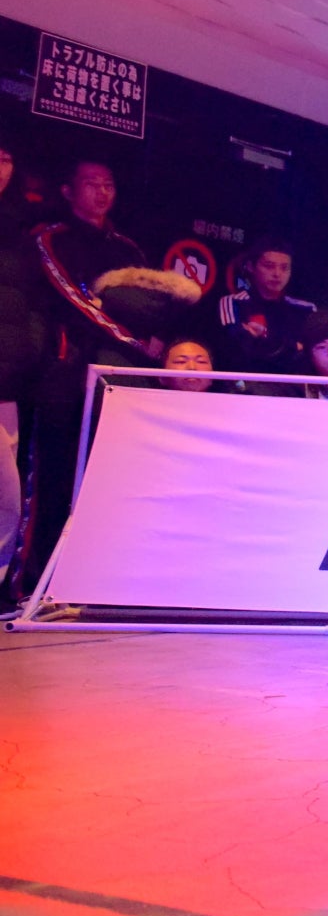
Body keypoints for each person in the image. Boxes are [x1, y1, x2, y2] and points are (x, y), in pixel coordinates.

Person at [26, 158, 151, 582]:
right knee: (55, 477)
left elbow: (148, 304)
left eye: (108, 184)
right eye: (91, 183)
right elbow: (71, 297)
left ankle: (94, 578)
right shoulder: (51, 236)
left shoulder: (128, 248)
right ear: (68, 190)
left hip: (121, 378)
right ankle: (35, 582)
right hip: (66, 373)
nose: (101, 192)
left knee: (110, 478)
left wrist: (142, 340)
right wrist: (134, 339)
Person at [0, 133, 47, 599]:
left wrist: (27, 349)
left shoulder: (20, 228)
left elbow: (33, 303)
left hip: (8, 381)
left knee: (6, 497)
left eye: (5, 157)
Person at [206, 235, 316, 375]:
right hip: (247, 384)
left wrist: (262, 336)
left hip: (294, 385)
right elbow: (237, 351)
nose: (277, 274)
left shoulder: (305, 309)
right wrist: (294, 346)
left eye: (284, 268)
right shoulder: (234, 303)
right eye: (269, 266)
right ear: (251, 266)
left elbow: (313, 355)